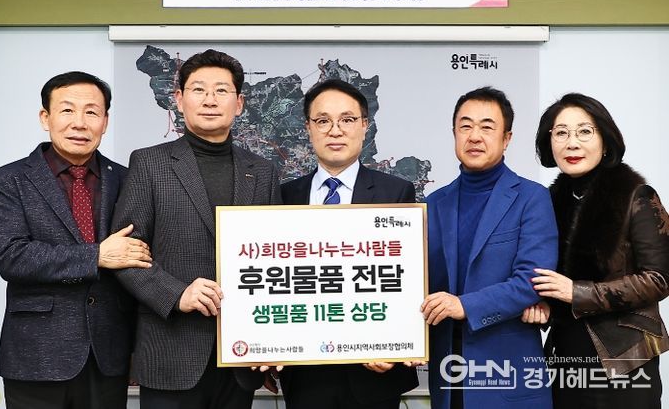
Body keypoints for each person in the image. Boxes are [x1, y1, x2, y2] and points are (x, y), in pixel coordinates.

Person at [112, 49, 282, 409]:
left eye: (221, 90)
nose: (210, 100)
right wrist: (177, 294)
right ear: (179, 99)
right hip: (170, 352)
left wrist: (274, 340)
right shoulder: (149, 163)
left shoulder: (263, 171)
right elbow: (125, 254)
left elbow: (277, 260)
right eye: (199, 89)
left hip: (241, 356)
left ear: (239, 103)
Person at [0, 71, 152, 409]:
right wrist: (96, 256)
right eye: (67, 110)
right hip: (37, 356)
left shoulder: (128, 179)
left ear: (105, 122)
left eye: (91, 112)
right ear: (45, 118)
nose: (80, 122)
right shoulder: (7, 180)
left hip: (109, 353)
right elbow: (12, 256)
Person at [279, 78, 419, 409]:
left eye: (347, 119)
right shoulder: (285, 196)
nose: (335, 130)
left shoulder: (396, 193)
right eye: (323, 121)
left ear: (365, 126)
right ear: (308, 128)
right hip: (306, 372)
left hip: (374, 372)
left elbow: (406, 278)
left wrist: (394, 345)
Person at [422, 86, 558, 409]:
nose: (474, 136)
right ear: (454, 133)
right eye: (465, 126)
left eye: (487, 127)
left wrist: (464, 306)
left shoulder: (532, 198)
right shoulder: (433, 203)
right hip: (448, 380)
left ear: (506, 138)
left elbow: (531, 281)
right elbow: (419, 284)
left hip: (508, 379)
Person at [532, 93, 669, 408]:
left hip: (625, 361)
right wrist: (543, 304)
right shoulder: (546, 204)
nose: (572, 143)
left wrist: (576, 292)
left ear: (605, 142)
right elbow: (551, 281)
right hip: (565, 358)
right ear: (549, 143)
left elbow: (659, 278)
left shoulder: (637, 195)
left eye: (584, 131)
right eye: (561, 133)